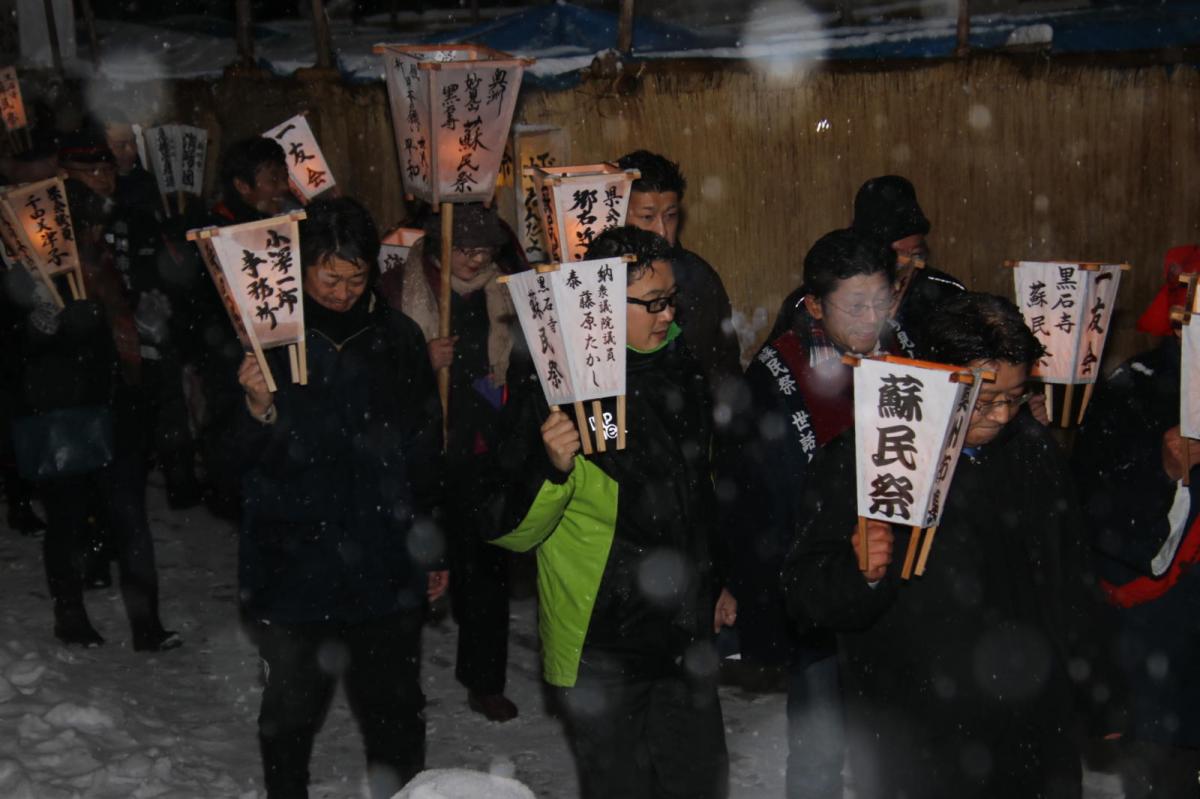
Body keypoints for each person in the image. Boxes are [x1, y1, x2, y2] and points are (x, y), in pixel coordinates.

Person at [783, 292, 1106, 798]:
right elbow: (805, 592)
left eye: (1015, 396)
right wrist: (861, 572)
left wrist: (1098, 690)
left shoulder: (1032, 451)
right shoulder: (867, 458)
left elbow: (1072, 580)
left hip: (1031, 724)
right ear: (937, 377)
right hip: (918, 729)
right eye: (985, 398)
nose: (1001, 416)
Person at [487, 226, 730, 799]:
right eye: (652, 303)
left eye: (671, 299)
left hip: (682, 630)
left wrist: (718, 578)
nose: (667, 315)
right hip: (604, 637)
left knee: (698, 781)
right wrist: (552, 469)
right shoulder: (558, 386)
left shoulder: (682, 367)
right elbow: (509, 530)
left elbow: (700, 492)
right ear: (598, 302)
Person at [229, 197, 446, 799]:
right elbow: (227, 464)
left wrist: (431, 542)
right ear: (301, 268)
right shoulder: (267, 341)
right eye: (330, 276)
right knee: (290, 716)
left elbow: (424, 448)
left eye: (357, 277)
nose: (345, 290)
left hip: (383, 559)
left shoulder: (397, 337)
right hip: (293, 561)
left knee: (396, 715)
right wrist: (257, 409)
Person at [718, 229, 896, 798]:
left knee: (893, 740)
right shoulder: (778, 375)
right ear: (815, 305)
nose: (872, 318)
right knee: (819, 734)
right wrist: (742, 578)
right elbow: (749, 493)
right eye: (855, 306)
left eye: (881, 302)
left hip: (894, 576)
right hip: (817, 577)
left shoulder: (909, 354)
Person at [379, 203, 522, 722]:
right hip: (421, 453)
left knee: (486, 570)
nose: (472, 259)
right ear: (441, 247)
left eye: (482, 250)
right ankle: (399, 680)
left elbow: (521, 365)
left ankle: (485, 679)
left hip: (481, 450)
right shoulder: (400, 289)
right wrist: (420, 361)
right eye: (463, 249)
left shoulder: (505, 290)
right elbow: (373, 375)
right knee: (415, 568)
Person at [1072, 244, 1200, 798]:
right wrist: (1170, 477)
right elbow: (1099, 512)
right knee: (1163, 767)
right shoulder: (1137, 387)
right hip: (1164, 628)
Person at [617, 149, 742, 392]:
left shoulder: (698, 278)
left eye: (670, 216)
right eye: (647, 217)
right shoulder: (598, 282)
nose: (661, 231)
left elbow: (723, 367)